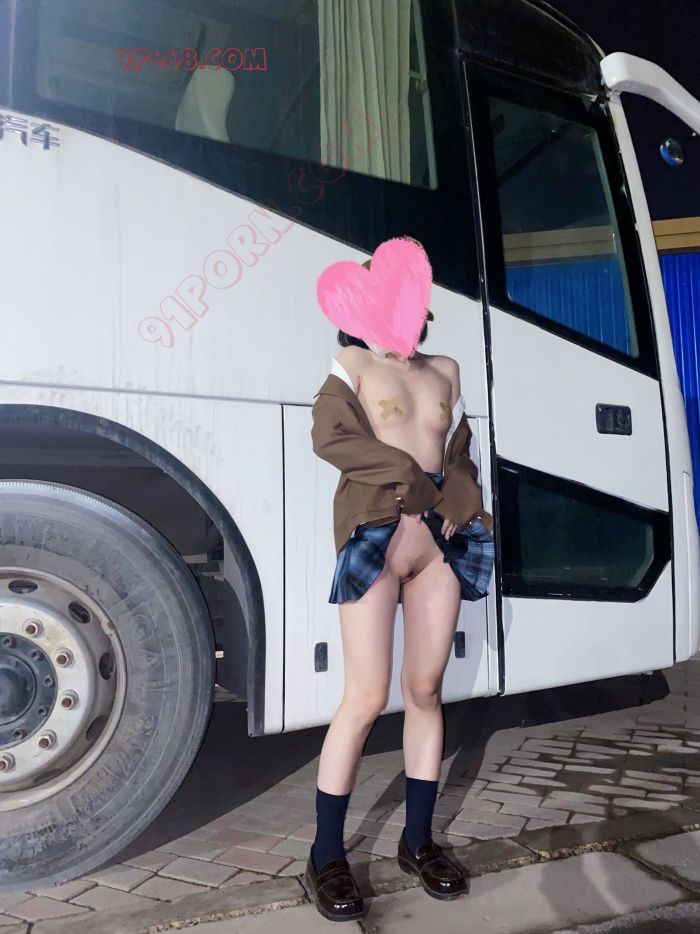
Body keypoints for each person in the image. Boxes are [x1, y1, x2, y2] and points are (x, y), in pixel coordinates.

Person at [306, 258, 494, 923]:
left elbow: (460, 450)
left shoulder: (446, 370)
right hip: (376, 539)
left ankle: (418, 841)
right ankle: (325, 854)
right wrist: (409, 478)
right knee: (364, 697)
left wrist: (461, 493)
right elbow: (331, 437)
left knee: (424, 691)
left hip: (438, 547)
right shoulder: (353, 365)